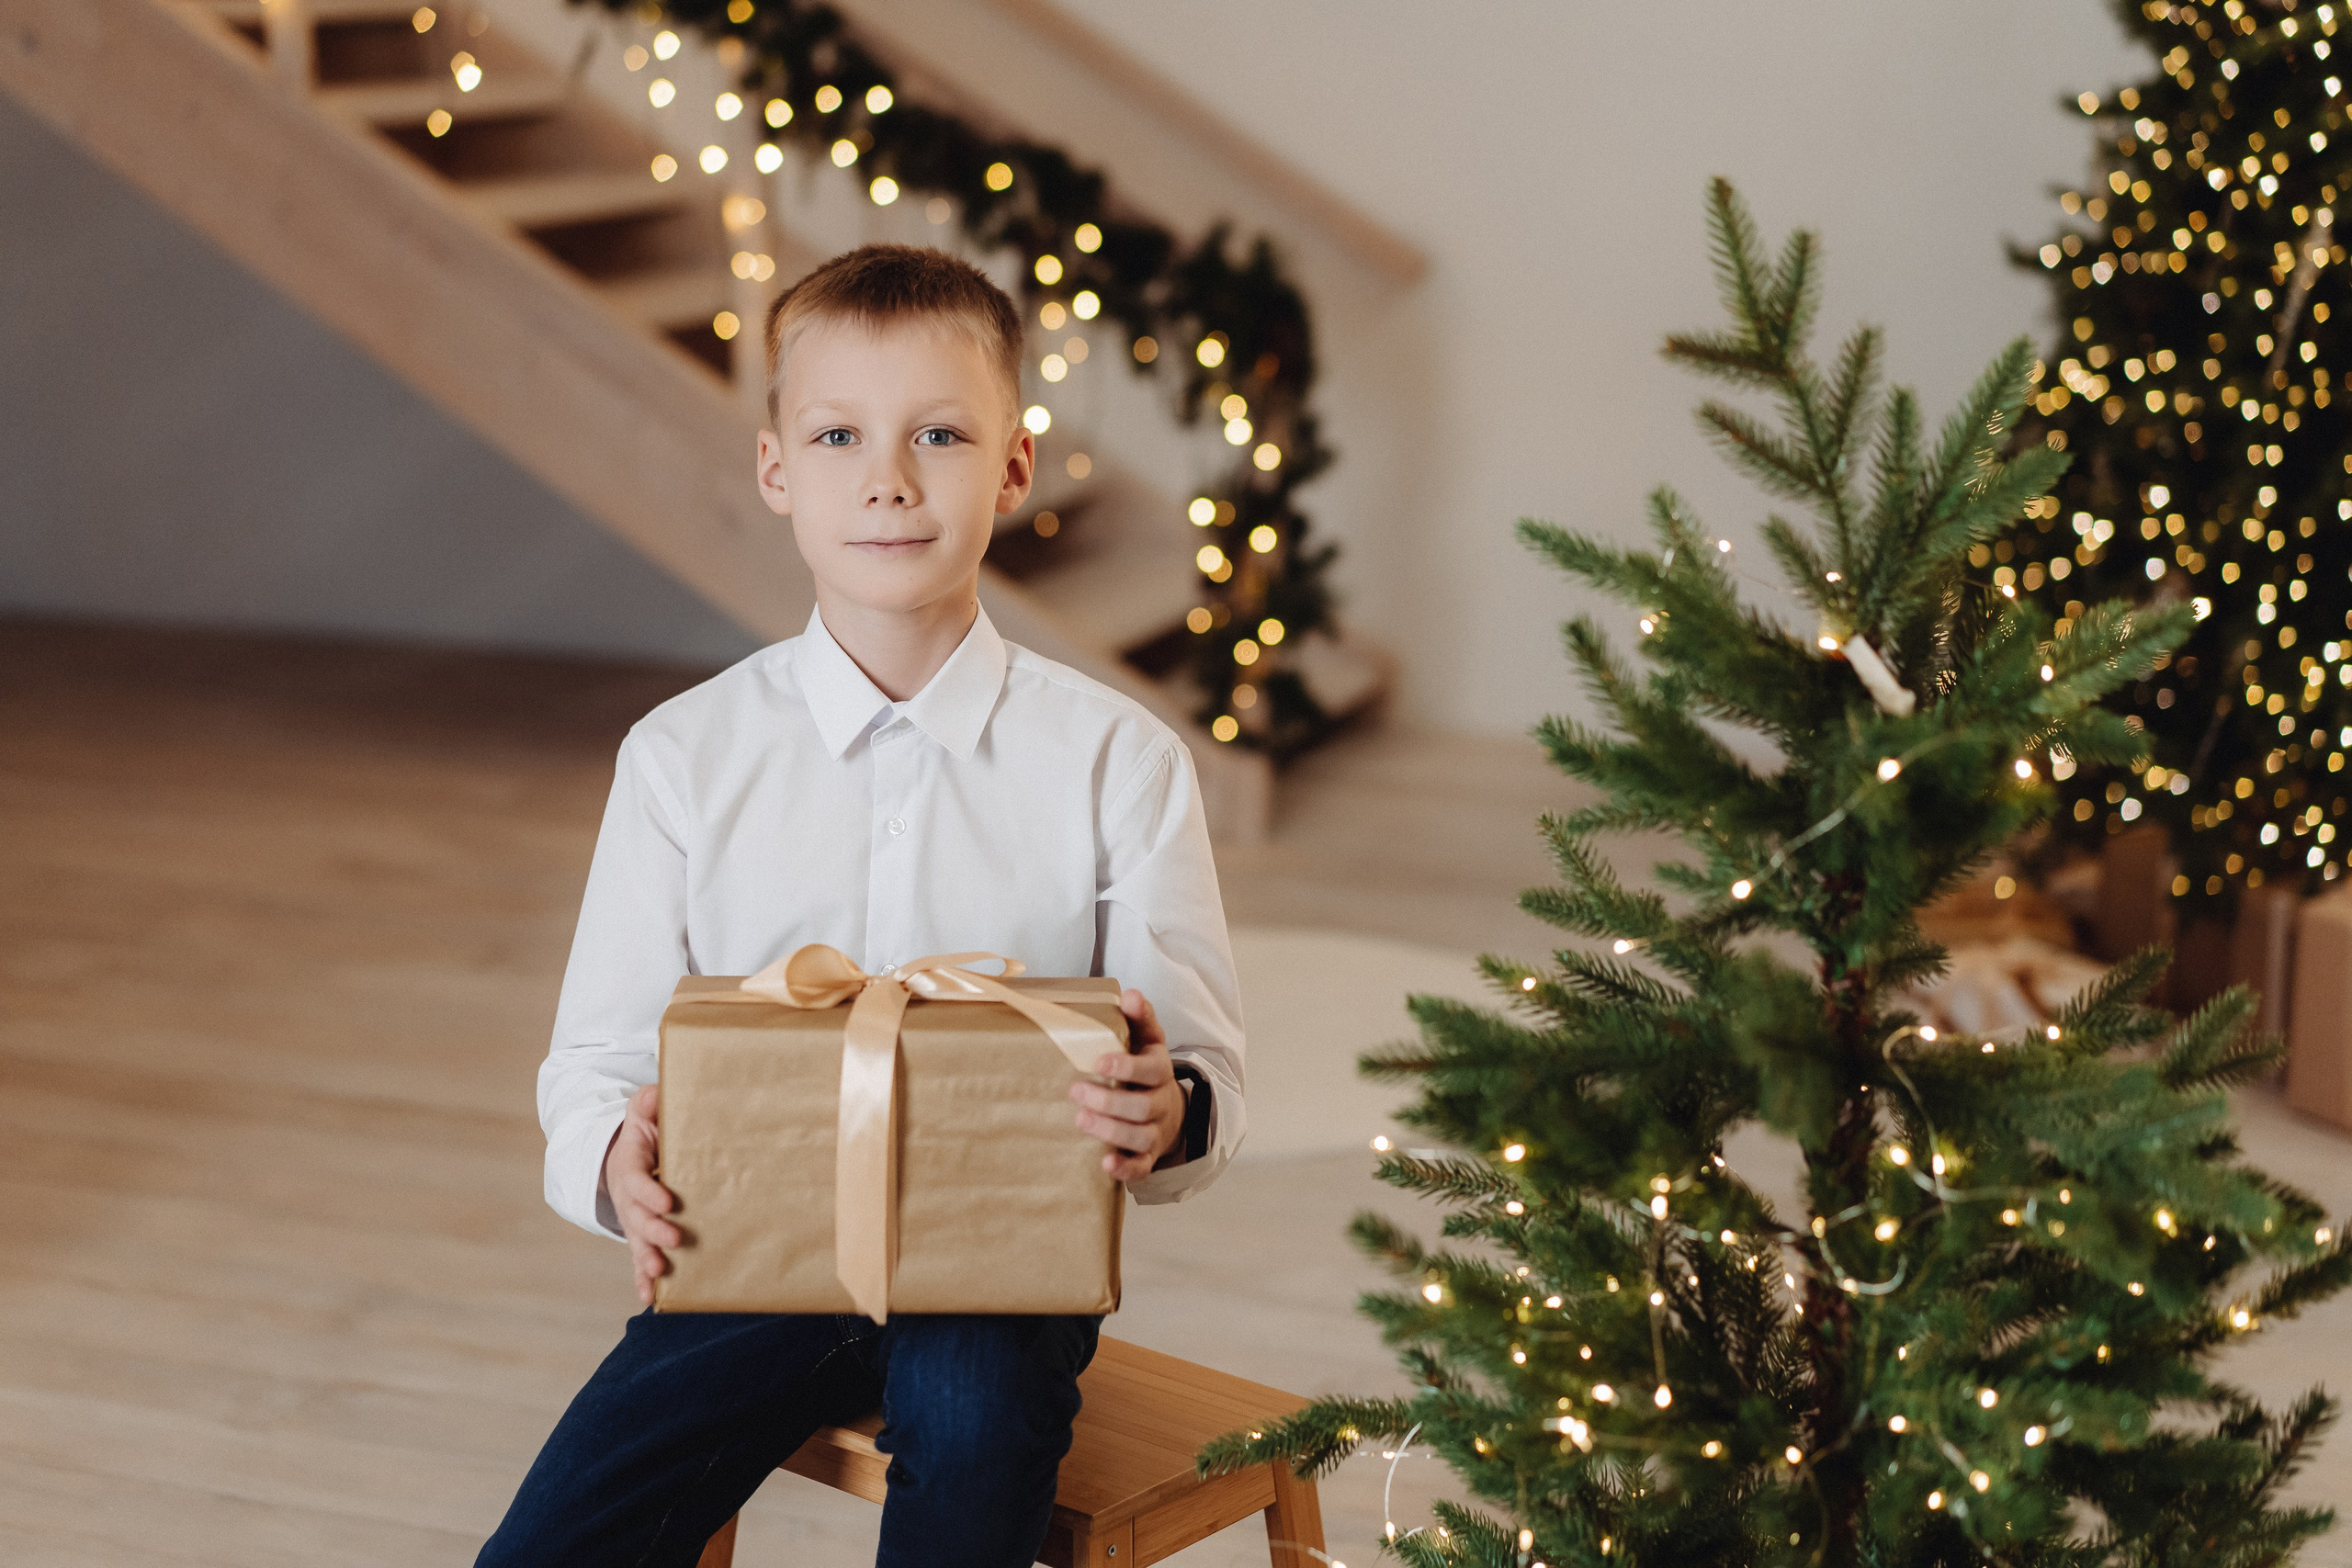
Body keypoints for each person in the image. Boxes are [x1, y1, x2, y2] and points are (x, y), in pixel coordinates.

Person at [477, 244, 1246, 1567]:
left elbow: (1202, 1063)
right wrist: (613, 1163)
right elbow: (595, 1060)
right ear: (778, 470)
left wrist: (1168, 1108)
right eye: (839, 435)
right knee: (554, 1542)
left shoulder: (1120, 761)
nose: (889, 477)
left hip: (1005, 1262)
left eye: (939, 434)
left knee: (978, 1424)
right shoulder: (683, 757)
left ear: (1013, 468)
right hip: (753, 1249)